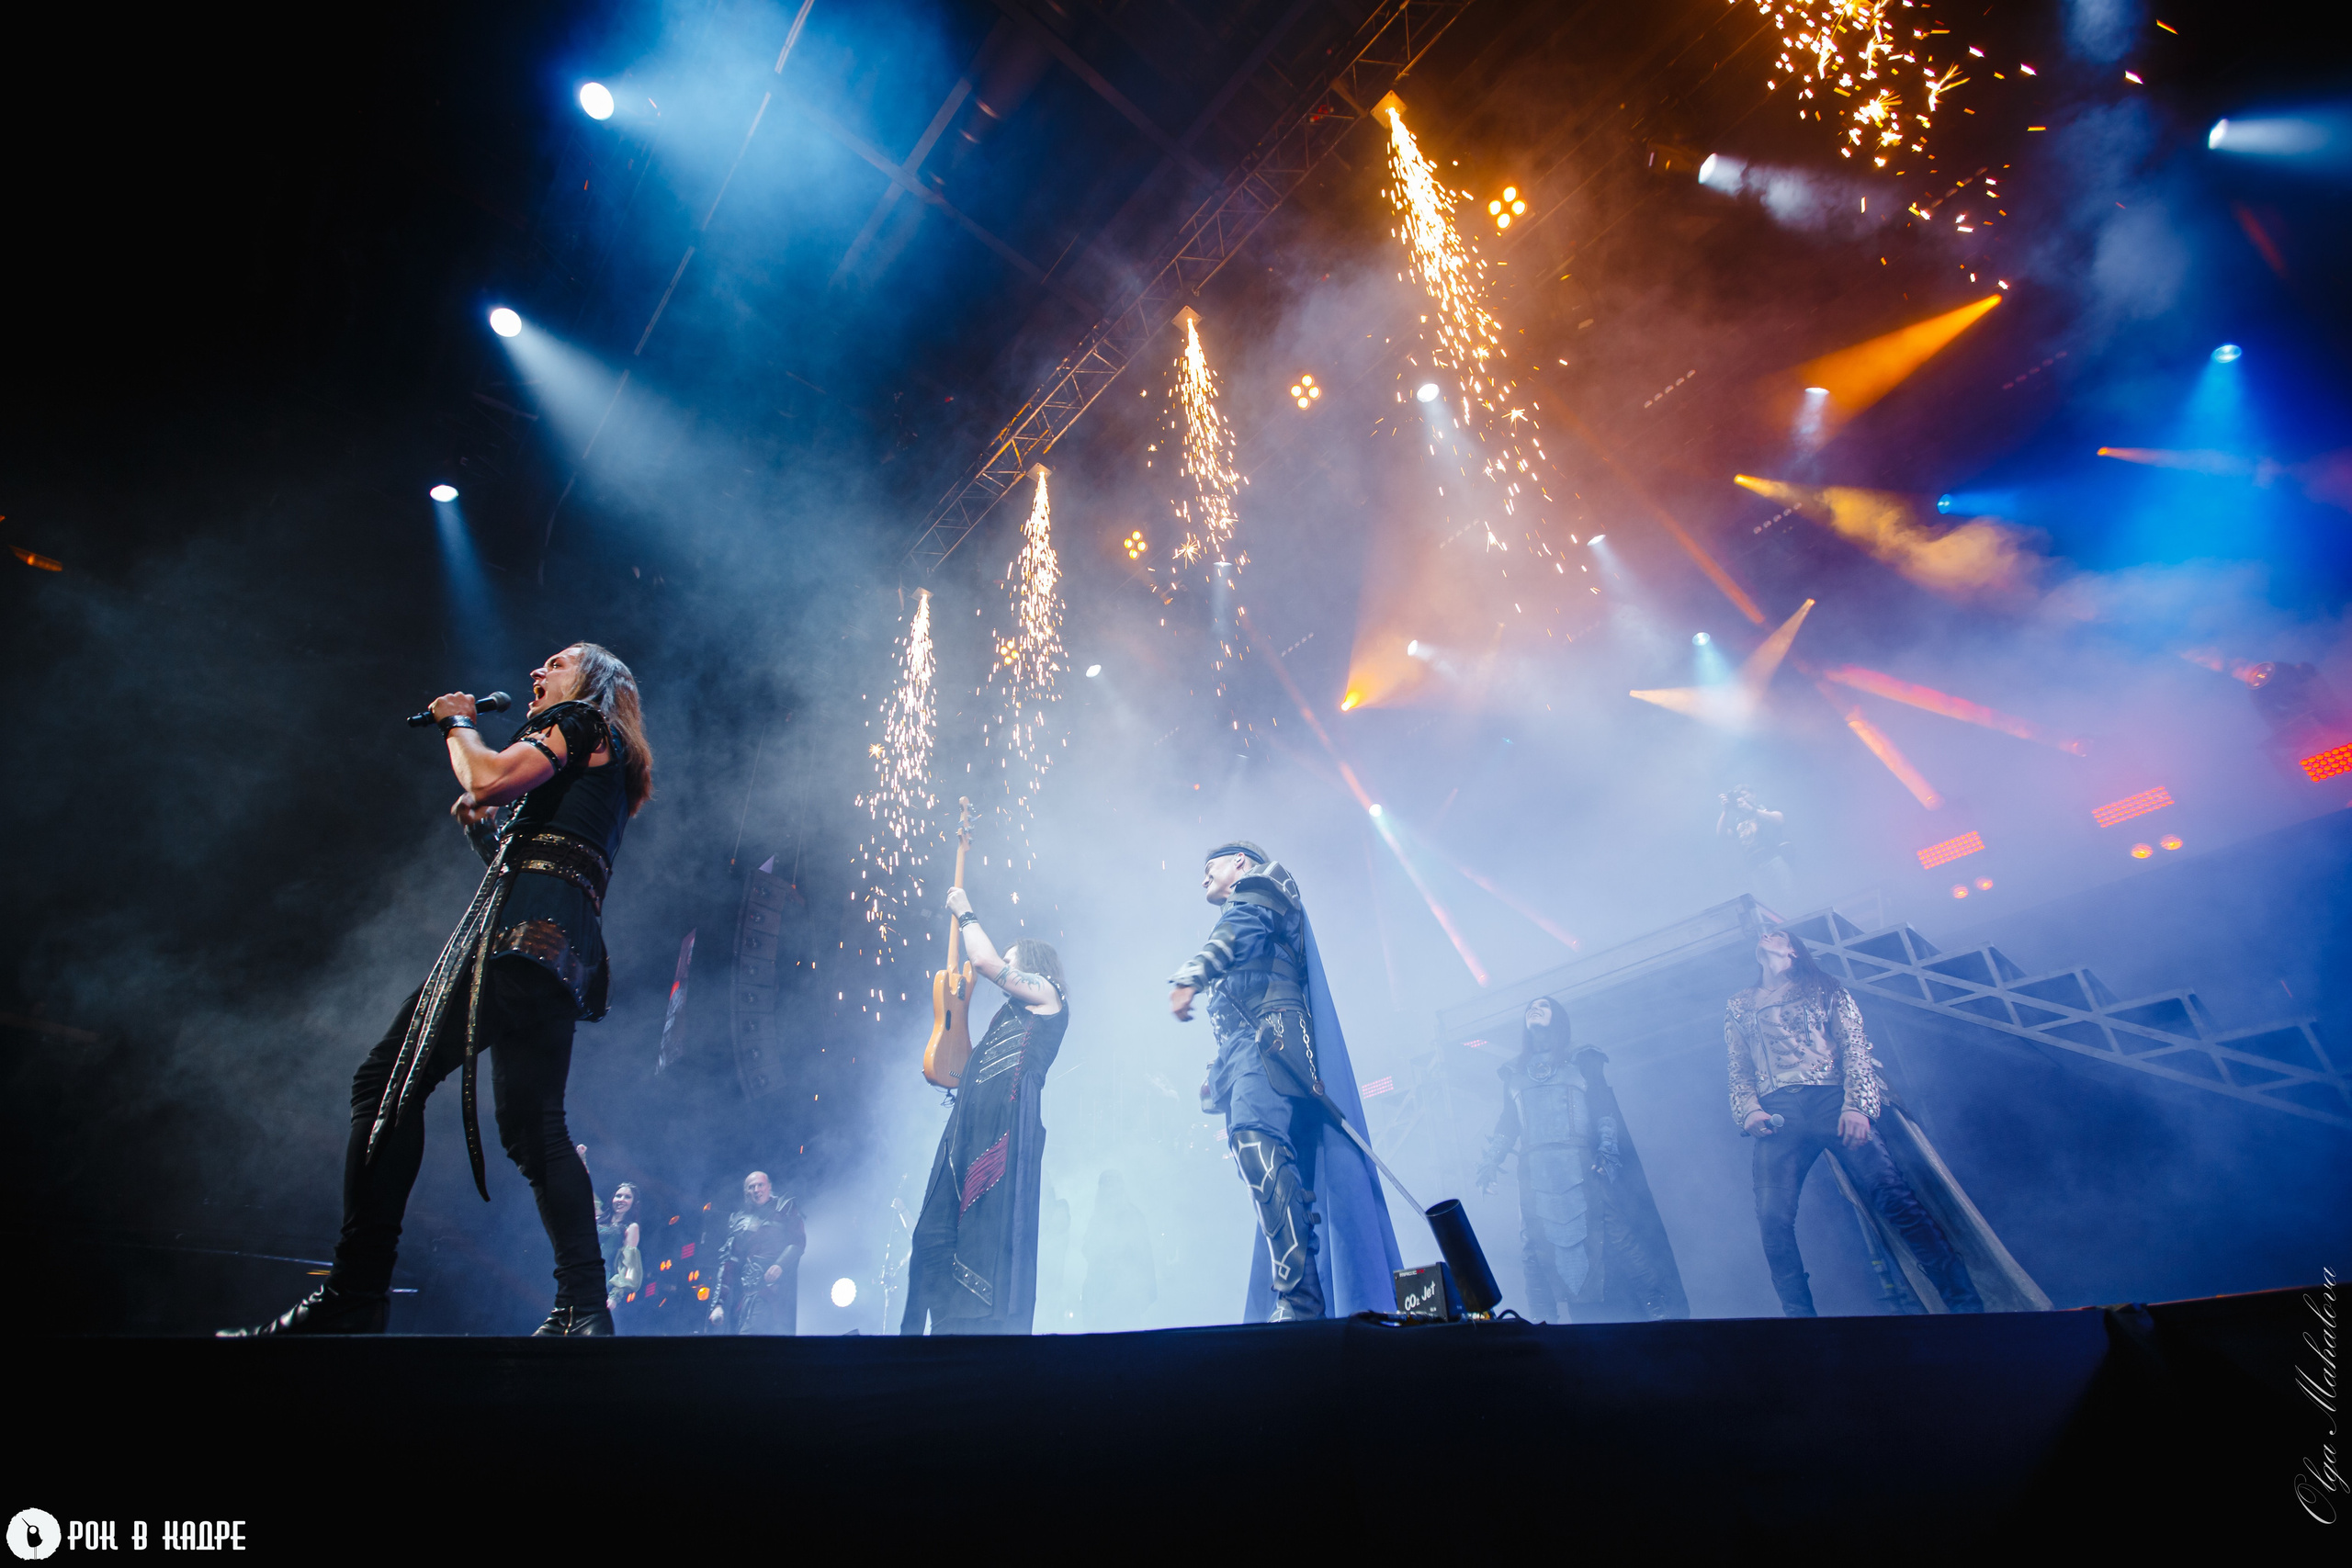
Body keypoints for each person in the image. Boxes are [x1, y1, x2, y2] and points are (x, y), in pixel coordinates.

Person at [224, 643, 653, 1337]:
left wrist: (457, 722)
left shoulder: (579, 721)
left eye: (556, 664)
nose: (537, 674)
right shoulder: (607, 763)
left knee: (384, 1082)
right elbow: (540, 856)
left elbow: (484, 778)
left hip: (516, 947)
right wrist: (488, 839)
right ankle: (584, 1306)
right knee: (536, 1132)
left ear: (593, 684)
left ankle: (358, 1287)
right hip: (557, 954)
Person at [1167, 841, 1401, 1322]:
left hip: (1271, 1044)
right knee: (1263, 1162)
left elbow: (1241, 931)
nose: (1202, 875)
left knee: (1259, 1148)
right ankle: (1299, 1293)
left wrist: (1196, 971)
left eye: (1210, 865)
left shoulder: (1264, 885)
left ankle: (1300, 1297)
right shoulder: (1242, 905)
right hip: (1247, 1051)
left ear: (1239, 862)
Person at [1728, 929, 1982, 1317]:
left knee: (1893, 1198)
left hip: (1832, 1100)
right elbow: (1738, 1066)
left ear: (1793, 949)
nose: (1766, 934)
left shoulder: (1824, 987)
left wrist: (1857, 1106)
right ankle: (1800, 1320)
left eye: (1776, 932)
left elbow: (1855, 1045)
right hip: (1779, 1113)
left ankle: (1967, 1309)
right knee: (1772, 1218)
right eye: (1763, 932)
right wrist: (1749, 1111)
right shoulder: (1739, 1004)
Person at [899, 890, 1068, 1335]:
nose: (1001, 968)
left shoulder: (1049, 996)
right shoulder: (1006, 1019)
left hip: (1004, 1128)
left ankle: (978, 1331)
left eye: (1013, 961)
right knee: (932, 1235)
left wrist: (964, 911)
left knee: (985, 1235)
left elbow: (987, 963)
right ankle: (919, 1338)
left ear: (1032, 964)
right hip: (967, 1129)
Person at [1476, 998, 1688, 1322]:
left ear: (1557, 1017)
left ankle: (1656, 1307)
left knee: (1613, 1233)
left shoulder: (1583, 1058)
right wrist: (1490, 1162)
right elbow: (1508, 1123)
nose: (1535, 1007)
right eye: (1530, 1006)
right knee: (1533, 1245)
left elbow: (1603, 1108)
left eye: (1543, 1005)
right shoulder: (1514, 1071)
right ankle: (1542, 1325)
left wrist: (1605, 1151)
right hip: (1535, 1172)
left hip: (1579, 1163)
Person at [708, 1171, 806, 1336]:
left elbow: (798, 1242)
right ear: (746, 1192)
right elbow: (729, 1263)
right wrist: (718, 1304)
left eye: (760, 1185)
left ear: (769, 1187)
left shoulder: (784, 1209)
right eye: (751, 1187)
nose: (756, 1189)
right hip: (747, 1295)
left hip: (775, 1292)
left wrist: (779, 1265)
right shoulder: (740, 1221)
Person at [1717, 786, 1792, 898]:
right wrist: (1725, 811)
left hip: (1774, 858)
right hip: (1754, 866)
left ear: (1753, 794)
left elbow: (1779, 820)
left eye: (1744, 795)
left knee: (1789, 894)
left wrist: (1751, 809)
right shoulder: (1738, 820)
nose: (1742, 799)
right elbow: (1721, 834)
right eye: (1739, 797)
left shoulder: (1765, 808)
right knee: (1768, 903)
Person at [601, 1181, 645, 1316]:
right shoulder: (598, 1219)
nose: (622, 1200)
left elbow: (627, 1265)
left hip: (603, 1282)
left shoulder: (631, 1227)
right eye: (618, 1196)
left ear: (633, 1203)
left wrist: (614, 1296)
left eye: (627, 1197)